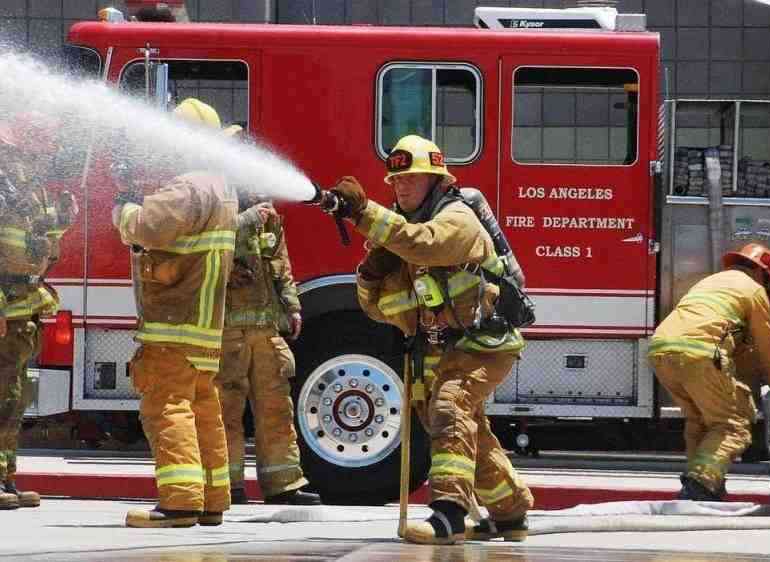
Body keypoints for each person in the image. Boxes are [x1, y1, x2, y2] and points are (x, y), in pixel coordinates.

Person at [328, 134, 533, 545]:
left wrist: (364, 212)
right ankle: (510, 512)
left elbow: (423, 246)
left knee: (451, 403)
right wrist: (371, 275)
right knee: (460, 426)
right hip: (442, 346)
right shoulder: (410, 235)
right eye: (396, 179)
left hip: (485, 343)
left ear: (436, 180)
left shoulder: (457, 220)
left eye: (411, 178)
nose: (401, 185)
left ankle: (448, 515)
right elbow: (384, 309)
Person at [112, 98, 237, 528]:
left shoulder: (189, 186)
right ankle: (212, 498)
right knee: (203, 408)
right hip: (205, 331)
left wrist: (123, 209)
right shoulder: (222, 186)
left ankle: (180, 503)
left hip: (174, 326)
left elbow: (148, 225)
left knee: (167, 407)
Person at [214, 126, 318, 506]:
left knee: (276, 407)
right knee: (225, 406)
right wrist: (245, 221)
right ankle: (228, 485)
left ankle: (284, 483)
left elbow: (279, 259)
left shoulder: (263, 204)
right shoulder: (215, 198)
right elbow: (207, 241)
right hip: (227, 325)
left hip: (265, 326)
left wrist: (291, 305)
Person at [647, 243, 770, 501]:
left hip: (662, 350)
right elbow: (766, 341)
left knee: (700, 421)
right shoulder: (754, 289)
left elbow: (737, 347)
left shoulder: (709, 282)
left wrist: (759, 368)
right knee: (733, 425)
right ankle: (700, 485)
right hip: (700, 353)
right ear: (763, 274)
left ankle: (709, 486)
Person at [0, 112, 75, 509]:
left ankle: (5, 479)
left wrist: (60, 223)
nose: (39, 161)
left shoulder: (33, 192)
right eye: (34, 153)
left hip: (22, 314)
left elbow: (42, 252)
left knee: (12, 399)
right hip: (4, 310)